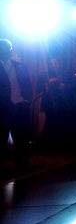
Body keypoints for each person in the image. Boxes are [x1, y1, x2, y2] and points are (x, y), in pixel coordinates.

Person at [0, 39, 32, 169]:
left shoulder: (19, 65)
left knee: (22, 137)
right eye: (6, 49)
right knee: (2, 138)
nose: (9, 51)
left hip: (20, 105)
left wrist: (26, 100)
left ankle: (23, 164)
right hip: (3, 108)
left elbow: (27, 84)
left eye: (10, 48)